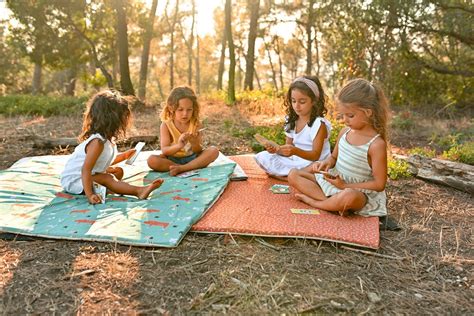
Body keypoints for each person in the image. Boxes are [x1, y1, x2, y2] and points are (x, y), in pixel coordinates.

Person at [288, 78, 390, 217]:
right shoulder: (344, 132)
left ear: (368, 112)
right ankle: (332, 203)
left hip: (358, 192)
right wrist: (325, 163)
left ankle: (316, 203)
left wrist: (345, 187)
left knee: (349, 197)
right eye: (343, 115)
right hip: (334, 182)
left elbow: (379, 184)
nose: (345, 120)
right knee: (294, 174)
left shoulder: (376, 144)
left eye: (350, 115)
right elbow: (333, 157)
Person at [60, 90, 164, 204]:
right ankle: (138, 191)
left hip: (87, 175)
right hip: (75, 180)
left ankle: (110, 188)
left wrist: (125, 156)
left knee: (118, 172)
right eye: (124, 116)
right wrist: (90, 195)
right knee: (107, 178)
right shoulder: (97, 143)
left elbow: (103, 161)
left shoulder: (108, 140)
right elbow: (86, 170)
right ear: (113, 119)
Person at [254, 75, 332, 180]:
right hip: (296, 161)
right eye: (293, 101)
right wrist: (276, 150)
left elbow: (315, 155)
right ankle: (294, 176)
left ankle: (289, 176)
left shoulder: (319, 124)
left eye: (302, 102)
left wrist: (295, 151)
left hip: (313, 163)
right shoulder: (291, 121)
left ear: (314, 101)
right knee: (263, 156)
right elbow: (288, 149)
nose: (297, 106)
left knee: (317, 167)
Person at [147, 86, 219, 176]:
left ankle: (182, 169)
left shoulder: (196, 124)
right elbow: (165, 151)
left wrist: (194, 143)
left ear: (194, 109)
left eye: (189, 110)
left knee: (213, 151)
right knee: (151, 160)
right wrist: (179, 145)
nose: (185, 114)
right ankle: (183, 167)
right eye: (180, 109)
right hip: (172, 160)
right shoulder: (166, 125)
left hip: (193, 159)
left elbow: (198, 151)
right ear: (171, 108)